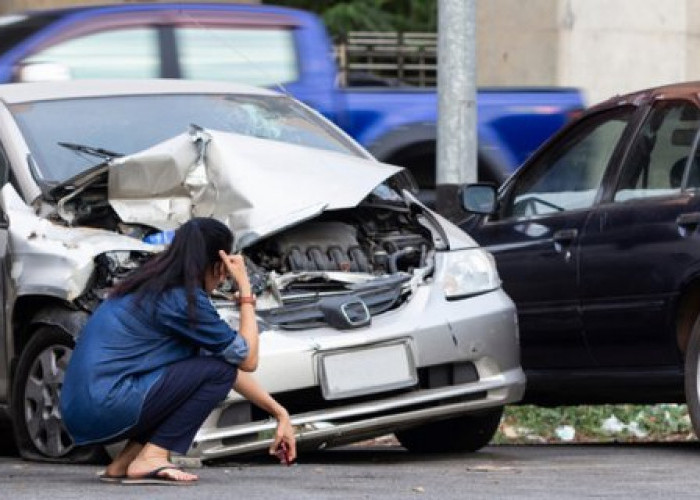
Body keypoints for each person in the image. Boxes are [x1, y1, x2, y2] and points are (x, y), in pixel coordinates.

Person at [60, 217, 296, 485]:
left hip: (83, 410)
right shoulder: (183, 299)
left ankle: (125, 462)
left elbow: (219, 364)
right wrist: (245, 291)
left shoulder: (151, 285)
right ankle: (152, 457)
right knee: (217, 371)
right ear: (219, 263)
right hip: (105, 405)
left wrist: (280, 413)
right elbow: (247, 359)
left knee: (203, 369)